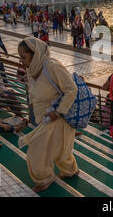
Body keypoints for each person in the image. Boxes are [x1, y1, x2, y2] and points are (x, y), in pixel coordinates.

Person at [17, 38, 79, 192]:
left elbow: (72, 89)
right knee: (59, 149)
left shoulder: (52, 66)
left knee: (36, 151)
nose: (21, 61)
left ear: (35, 54)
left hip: (57, 118)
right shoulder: (32, 68)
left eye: (24, 57)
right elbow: (34, 90)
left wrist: (58, 112)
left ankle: (45, 178)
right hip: (44, 118)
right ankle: (71, 170)